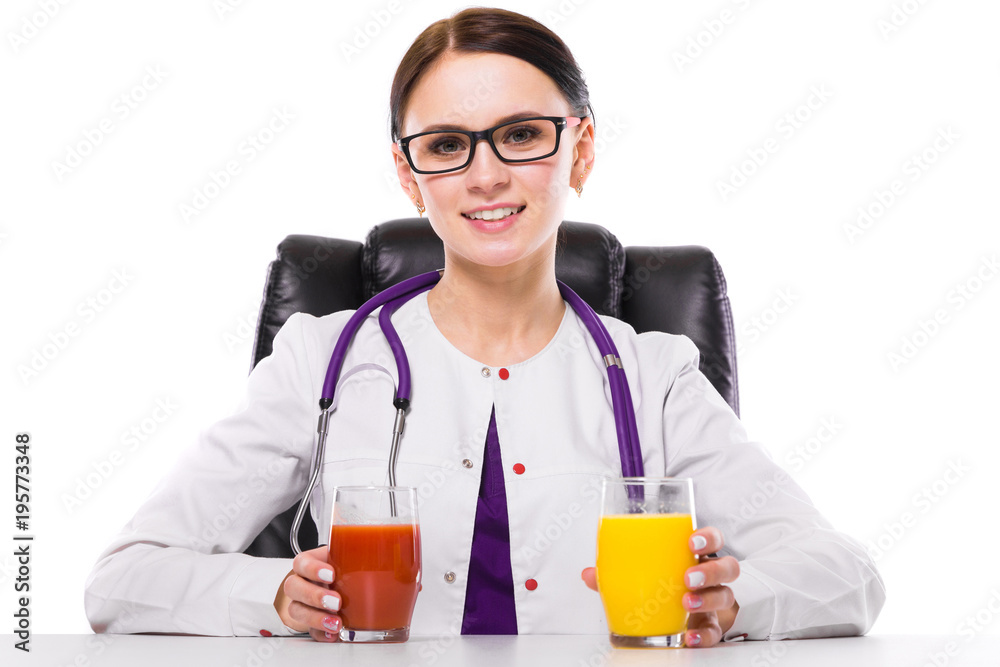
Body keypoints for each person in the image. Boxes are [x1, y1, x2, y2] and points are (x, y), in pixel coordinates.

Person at [85, 7, 885, 647]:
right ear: (409, 174)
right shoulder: (323, 361)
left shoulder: (653, 376)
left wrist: (733, 599)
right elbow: (121, 581)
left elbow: (849, 576)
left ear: (580, 150)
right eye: (446, 145)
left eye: (522, 134)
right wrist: (275, 593)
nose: (486, 174)